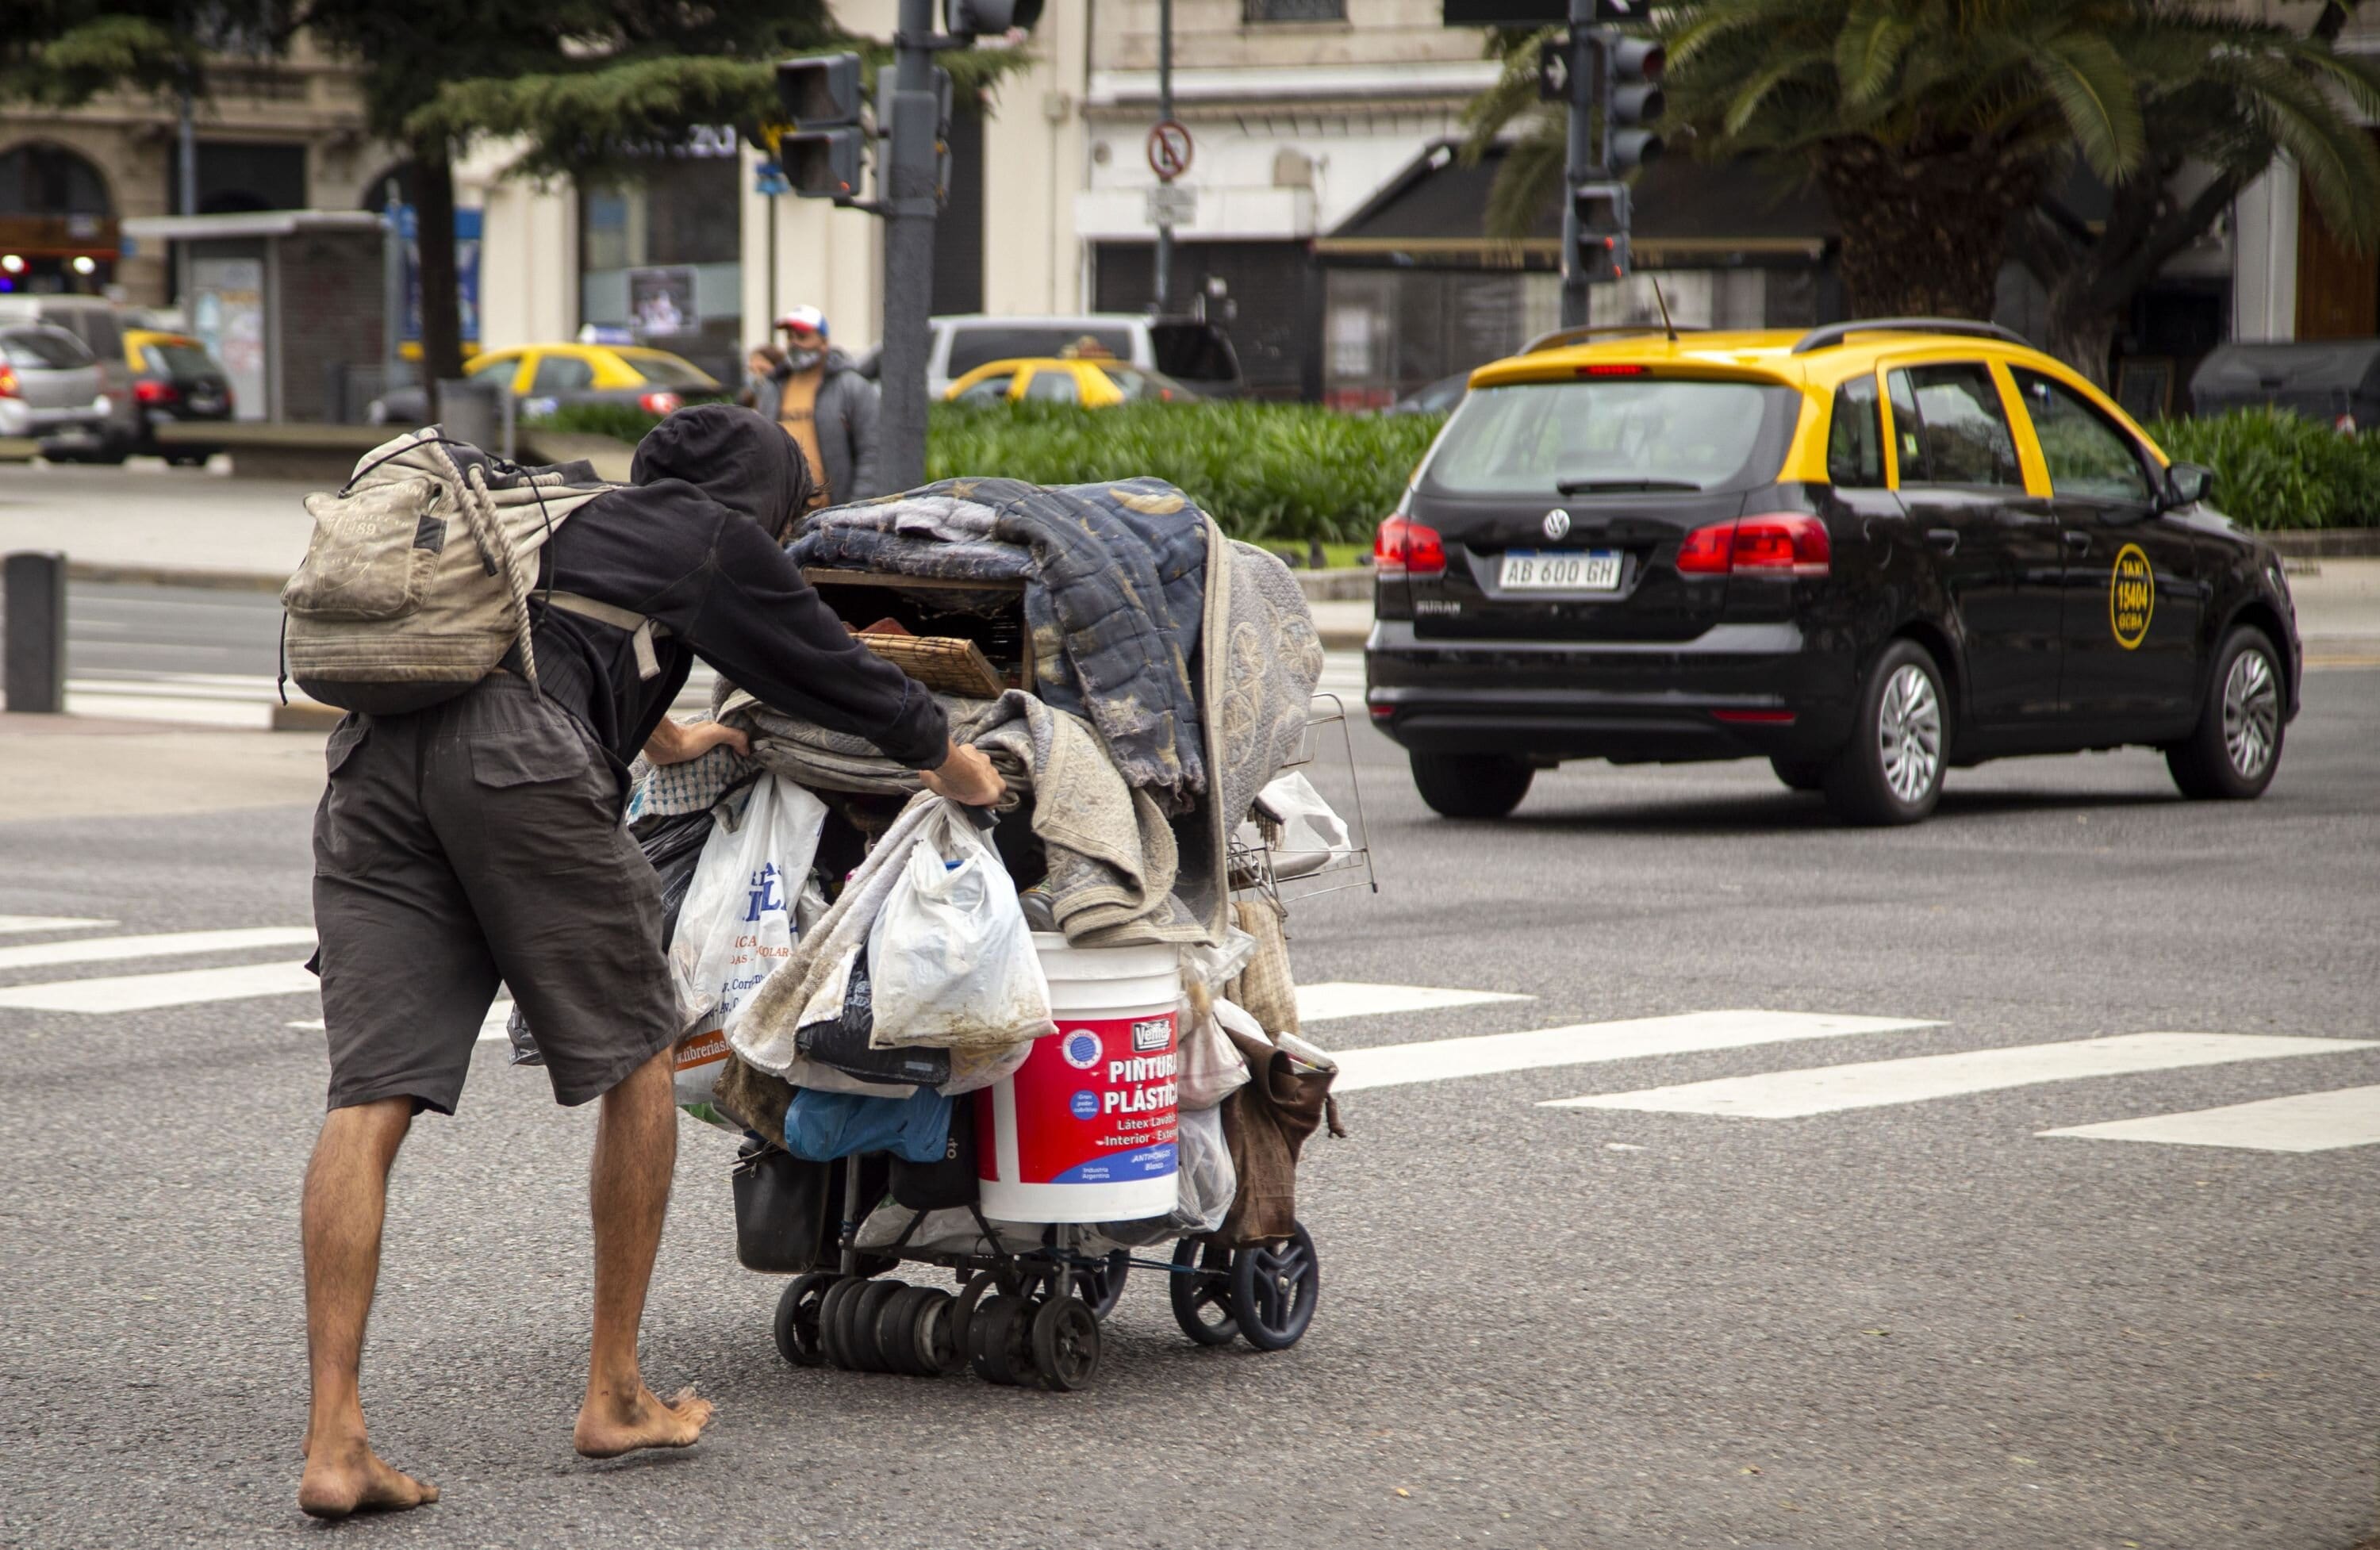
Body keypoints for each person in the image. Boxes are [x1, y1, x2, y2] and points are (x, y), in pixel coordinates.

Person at [295, 405, 1004, 1519]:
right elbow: (839, 675)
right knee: (641, 1058)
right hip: (517, 764)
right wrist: (957, 766)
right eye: (794, 504)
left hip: (376, 766)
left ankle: (335, 1441)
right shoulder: (715, 535)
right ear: (763, 497)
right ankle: (616, 1392)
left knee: (368, 1096)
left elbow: (567, 644)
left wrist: (672, 737)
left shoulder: (572, 513)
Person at [753, 305, 881, 506]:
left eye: (802, 337)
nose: (794, 344)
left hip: (834, 517)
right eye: (790, 337)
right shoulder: (772, 389)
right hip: (785, 516)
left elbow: (872, 454)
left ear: (824, 342)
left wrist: (855, 509)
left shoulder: (852, 387)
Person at [739, 343, 786, 412]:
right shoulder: (749, 391)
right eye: (752, 360)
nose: (753, 364)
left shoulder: (777, 387)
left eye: (762, 371)